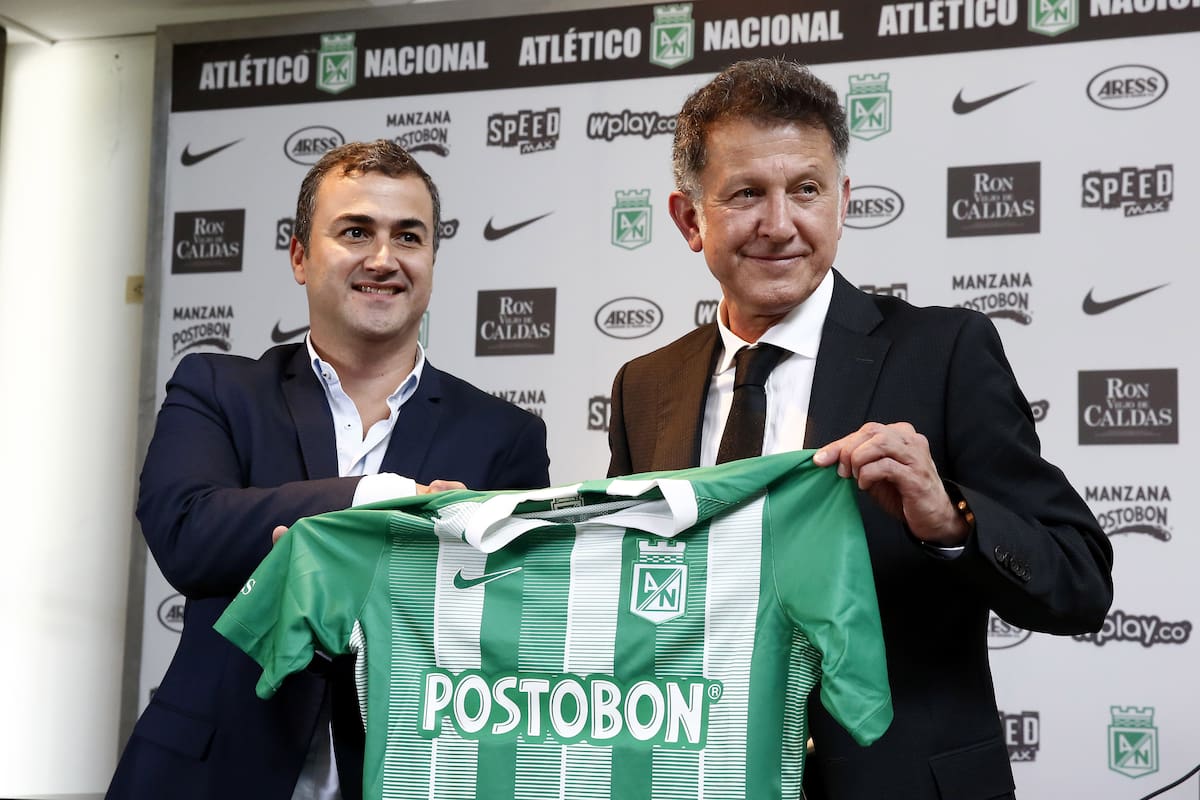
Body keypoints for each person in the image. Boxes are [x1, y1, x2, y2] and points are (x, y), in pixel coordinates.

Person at [606, 59, 1113, 799]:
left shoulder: (944, 352)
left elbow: (1080, 581)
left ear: (841, 203)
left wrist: (951, 519)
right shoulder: (644, 385)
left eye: (805, 190)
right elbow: (622, 591)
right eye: (746, 194)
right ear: (691, 219)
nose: (779, 225)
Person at [108, 140, 550, 800]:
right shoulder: (218, 388)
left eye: (409, 236)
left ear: (431, 259)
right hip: (209, 774)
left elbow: (520, 631)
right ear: (298, 256)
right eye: (355, 232)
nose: (383, 258)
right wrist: (379, 502)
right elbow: (189, 531)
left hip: (406, 776)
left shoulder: (504, 437)